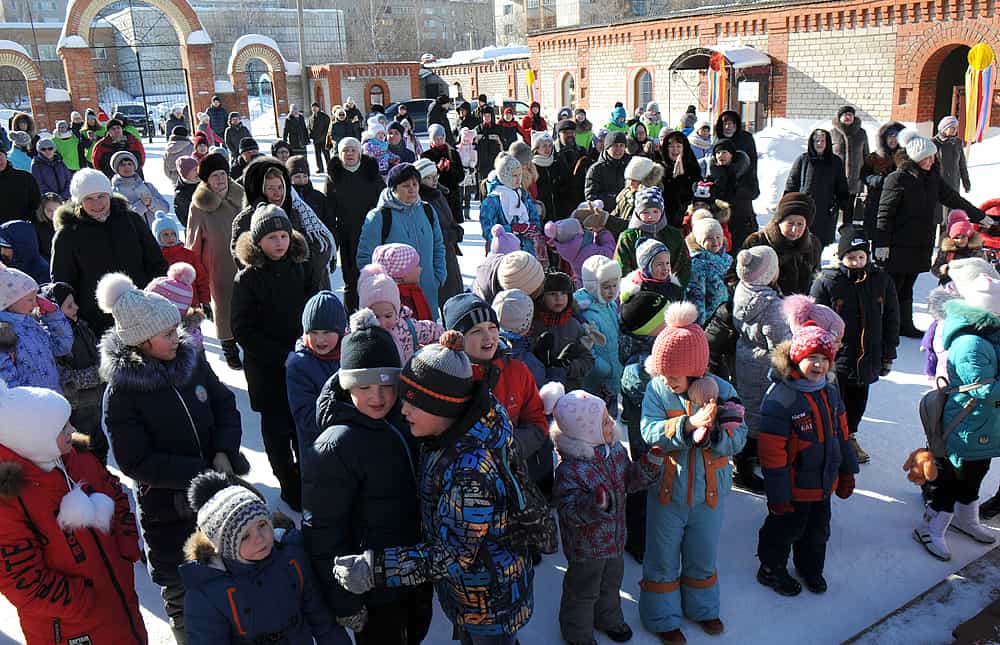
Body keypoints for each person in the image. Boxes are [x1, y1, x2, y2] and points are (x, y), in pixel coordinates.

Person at [331, 331, 535, 645]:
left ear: (442, 407)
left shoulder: (470, 472)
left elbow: (452, 554)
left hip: (489, 600)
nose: (402, 411)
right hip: (473, 591)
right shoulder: (452, 431)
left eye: (413, 404)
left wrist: (377, 569)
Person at [98, 272, 245, 644]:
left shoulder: (190, 360)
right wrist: (202, 472)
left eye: (176, 330)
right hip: (170, 512)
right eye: (166, 334)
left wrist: (224, 451)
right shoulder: (122, 394)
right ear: (141, 342)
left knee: (232, 578)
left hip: (219, 491)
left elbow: (225, 404)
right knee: (185, 596)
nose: (176, 339)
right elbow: (135, 461)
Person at [304, 309, 433, 643]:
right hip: (371, 585)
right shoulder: (336, 446)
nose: (377, 397)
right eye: (364, 386)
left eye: (387, 384)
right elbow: (324, 531)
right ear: (348, 386)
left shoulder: (407, 420)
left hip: (414, 570)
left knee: (416, 630)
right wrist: (344, 598)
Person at [0, 379, 147, 643]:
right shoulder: (10, 501)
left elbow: (115, 492)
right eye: (62, 427)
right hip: (72, 625)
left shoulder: (79, 459)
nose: (72, 431)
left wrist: (126, 543)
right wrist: (83, 600)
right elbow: (20, 579)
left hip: (119, 603)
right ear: (34, 437)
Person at [639, 302, 748, 643]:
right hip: (668, 491)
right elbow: (648, 430)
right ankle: (661, 616)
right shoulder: (657, 390)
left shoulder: (723, 391)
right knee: (662, 556)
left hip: (709, 493)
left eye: (673, 374)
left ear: (694, 369)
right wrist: (687, 426)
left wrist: (715, 434)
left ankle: (702, 608)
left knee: (703, 553)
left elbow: (740, 438)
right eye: (662, 373)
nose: (666, 379)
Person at [544, 382, 659, 645]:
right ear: (585, 432)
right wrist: (594, 504)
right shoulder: (570, 470)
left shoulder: (615, 451)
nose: (611, 425)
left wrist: (650, 466)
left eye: (608, 418)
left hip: (615, 540)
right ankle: (577, 632)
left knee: (610, 584)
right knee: (582, 591)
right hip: (586, 548)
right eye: (604, 423)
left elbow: (630, 480)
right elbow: (570, 511)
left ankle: (607, 618)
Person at [181, 472, 350, 644]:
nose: (260, 538)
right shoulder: (207, 592)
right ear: (225, 547)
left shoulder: (291, 557)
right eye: (245, 536)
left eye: (262, 525)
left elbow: (320, 616)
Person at [757, 322, 859, 596]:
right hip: (793, 488)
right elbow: (771, 453)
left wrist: (847, 471)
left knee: (817, 532)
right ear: (797, 358)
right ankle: (770, 568)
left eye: (825, 359)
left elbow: (841, 434)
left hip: (823, 483)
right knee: (784, 530)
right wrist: (778, 495)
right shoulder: (781, 399)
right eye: (812, 358)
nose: (819, 365)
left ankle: (810, 567)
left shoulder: (830, 392)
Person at [232, 204, 320, 511]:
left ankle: (310, 480)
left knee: (305, 428)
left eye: (283, 235)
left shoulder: (303, 267)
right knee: (277, 433)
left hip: (306, 363)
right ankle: (288, 484)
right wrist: (281, 356)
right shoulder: (248, 280)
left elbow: (316, 309)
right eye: (271, 238)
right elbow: (243, 329)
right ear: (257, 242)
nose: (279, 243)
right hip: (268, 372)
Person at [912, 272, 1000, 559]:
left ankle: (966, 518)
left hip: (984, 423)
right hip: (965, 422)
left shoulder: (991, 335)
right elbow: (982, 387)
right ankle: (931, 526)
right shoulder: (971, 342)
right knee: (951, 477)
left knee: (975, 471)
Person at [875, 129, 987, 338]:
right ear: (916, 158)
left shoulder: (932, 178)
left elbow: (954, 199)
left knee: (908, 285)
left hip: (920, 243)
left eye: (933, 157)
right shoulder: (897, 179)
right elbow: (884, 213)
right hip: (898, 243)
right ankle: (885, 328)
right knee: (892, 287)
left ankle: (904, 325)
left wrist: (980, 216)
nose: (931, 160)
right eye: (926, 157)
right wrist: (882, 244)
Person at [810, 227, 899, 464]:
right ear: (840, 257)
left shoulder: (881, 280)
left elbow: (892, 317)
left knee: (858, 401)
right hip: (836, 357)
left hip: (868, 354)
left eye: (861, 257)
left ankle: (849, 435)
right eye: (851, 257)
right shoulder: (828, 282)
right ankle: (829, 438)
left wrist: (888, 353)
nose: (857, 262)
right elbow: (813, 321)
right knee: (831, 400)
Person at [52, 169, 167, 335]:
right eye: (89, 199)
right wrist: (67, 303)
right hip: (97, 319)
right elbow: (62, 278)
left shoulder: (131, 220)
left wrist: (161, 291)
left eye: (101, 196)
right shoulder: (68, 234)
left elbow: (155, 260)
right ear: (79, 202)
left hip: (142, 308)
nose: (97, 204)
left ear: (109, 195)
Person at [230, 155, 336, 292]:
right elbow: (242, 259)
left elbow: (313, 252)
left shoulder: (296, 212)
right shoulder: (244, 220)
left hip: (299, 288)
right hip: (264, 291)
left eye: (280, 187)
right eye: (271, 189)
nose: (277, 193)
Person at [731, 246, 786, 493]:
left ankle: (746, 459)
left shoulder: (742, 290)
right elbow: (780, 344)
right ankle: (743, 468)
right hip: (765, 366)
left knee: (748, 411)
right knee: (758, 417)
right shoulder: (772, 306)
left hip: (744, 358)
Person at [356, 163, 446, 314]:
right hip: (395, 299)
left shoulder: (427, 210)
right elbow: (365, 258)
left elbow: (438, 246)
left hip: (427, 291)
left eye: (415, 184)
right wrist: (383, 288)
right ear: (394, 188)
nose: (412, 189)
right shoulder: (379, 217)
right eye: (405, 185)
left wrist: (438, 276)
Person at [187, 152, 245, 370]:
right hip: (217, 264)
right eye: (214, 176)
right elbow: (193, 242)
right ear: (206, 180)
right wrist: (196, 273)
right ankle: (229, 347)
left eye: (223, 174)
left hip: (244, 259)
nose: (220, 180)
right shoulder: (199, 205)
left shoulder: (241, 195)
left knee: (248, 302)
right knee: (223, 307)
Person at [38, 281, 107, 461]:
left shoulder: (81, 327)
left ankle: (104, 477)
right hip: (76, 406)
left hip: (94, 401)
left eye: (74, 302)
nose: (76, 307)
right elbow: (64, 377)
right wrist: (98, 374)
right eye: (69, 305)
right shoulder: (52, 340)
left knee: (100, 443)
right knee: (84, 449)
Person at [324, 137, 384, 312]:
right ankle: (350, 316)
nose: (349, 154)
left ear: (359, 152)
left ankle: (376, 312)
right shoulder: (334, 177)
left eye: (352, 150)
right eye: (345, 150)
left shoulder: (370, 172)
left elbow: (382, 201)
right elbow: (329, 211)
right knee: (351, 279)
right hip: (347, 233)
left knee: (373, 275)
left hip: (371, 232)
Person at [286, 290, 347, 449]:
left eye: (327, 332)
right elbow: (305, 416)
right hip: (318, 449)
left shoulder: (349, 354)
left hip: (349, 445)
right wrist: (347, 415)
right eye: (313, 332)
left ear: (340, 331)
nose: (320, 339)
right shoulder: (299, 365)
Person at [0, 262, 71, 392]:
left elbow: (61, 346)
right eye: (30, 299)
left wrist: (53, 314)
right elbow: (5, 379)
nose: (36, 303)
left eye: (36, 298)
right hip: (29, 407)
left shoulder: (31, 323)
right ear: (9, 300)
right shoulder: (4, 331)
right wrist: (25, 404)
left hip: (52, 400)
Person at [733, 192, 821, 297]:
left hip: (800, 308)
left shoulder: (812, 244)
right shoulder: (757, 241)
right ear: (779, 221)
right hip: (763, 306)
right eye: (790, 223)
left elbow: (816, 277)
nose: (795, 229)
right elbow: (736, 276)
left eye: (800, 224)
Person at [356, 265, 442, 365]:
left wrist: (430, 355)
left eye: (388, 316)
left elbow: (437, 331)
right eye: (375, 316)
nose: (382, 322)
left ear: (396, 311)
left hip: (404, 377)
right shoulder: (357, 333)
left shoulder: (408, 328)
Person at [530, 271, 596, 391]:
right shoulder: (534, 325)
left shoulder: (575, 325)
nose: (558, 298)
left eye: (563, 293)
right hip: (540, 389)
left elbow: (588, 360)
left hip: (570, 390)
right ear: (542, 296)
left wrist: (567, 368)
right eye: (552, 293)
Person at [614, 186, 691, 287]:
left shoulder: (674, 235)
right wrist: (631, 286)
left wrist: (677, 285)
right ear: (637, 213)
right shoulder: (628, 237)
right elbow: (621, 266)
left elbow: (684, 263)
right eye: (646, 212)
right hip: (638, 289)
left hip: (669, 288)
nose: (651, 216)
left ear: (662, 211)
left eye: (655, 211)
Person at [412, 159, 464, 308]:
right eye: (429, 177)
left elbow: (449, 219)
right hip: (435, 256)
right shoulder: (421, 201)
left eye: (435, 175)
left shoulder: (438, 194)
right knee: (443, 296)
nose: (434, 180)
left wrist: (456, 229)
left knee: (454, 293)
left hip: (449, 251)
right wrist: (452, 235)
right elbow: (430, 231)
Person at [784, 129, 850, 246]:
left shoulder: (835, 161)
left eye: (822, 141)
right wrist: (788, 204)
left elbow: (841, 185)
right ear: (811, 143)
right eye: (816, 141)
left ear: (827, 143)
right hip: (805, 210)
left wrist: (842, 202)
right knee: (802, 243)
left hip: (826, 211)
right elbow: (792, 183)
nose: (819, 144)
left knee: (821, 243)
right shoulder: (803, 160)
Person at [574, 255, 623, 405]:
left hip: (615, 370)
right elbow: (587, 349)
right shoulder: (588, 314)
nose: (612, 291)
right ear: (593, 286)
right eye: (606, 287)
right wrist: (603, 368)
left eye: (615, 286)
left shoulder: (611, 306)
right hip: (599, 382)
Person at [479, 153, 543, 256]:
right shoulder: (492, 201)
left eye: (519, 175)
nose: (518, 179)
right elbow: (488, 231)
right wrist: (512, 228)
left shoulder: (523, 195)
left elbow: (534, 218)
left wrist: (533, 229)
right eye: (514, 175)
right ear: (504, 175)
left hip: (526, 253)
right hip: (503, 255)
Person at [706, 139, 758, 253]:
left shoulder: (744, 171)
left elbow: (754, 192)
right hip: (721, 223)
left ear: (732, 155)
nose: (721, 156)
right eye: (718, 153)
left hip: (743, 221)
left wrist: (735, 188)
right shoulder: (713, 173)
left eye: (724, 152)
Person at [152, 211, 211, 309]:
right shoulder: (157, 257)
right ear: (157, 237)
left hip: (191, 303)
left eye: (173, 234)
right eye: (165, 235)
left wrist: (205, 300)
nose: (170, 237)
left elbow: (201, 278)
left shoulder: (189, 255)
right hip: (166, 306)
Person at [545, 206, 615, 287]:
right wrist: (602, 232)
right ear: (578, 236)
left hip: (584, 286)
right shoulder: (588, 251)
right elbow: (610, 252)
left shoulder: (570, 250)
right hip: (599, 288)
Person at [859, 121, 904, 241]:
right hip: (876, 200)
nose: (893, 140)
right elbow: (864, 175)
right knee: (875, 234)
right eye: (890, 137)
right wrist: (877, 180)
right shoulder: (875, 157)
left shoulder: (906, 157)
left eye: (896, 137)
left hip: (898, 202)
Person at [685, 216, 732, 326]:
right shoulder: (697, 264)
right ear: (699, 240)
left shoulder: (728, 259)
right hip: (711, 319)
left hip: (729, 314)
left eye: (718, 237)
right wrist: (700, 324)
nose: (715, 241)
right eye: (709, 238)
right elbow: (696, 297)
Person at [829, 105, 869, 227]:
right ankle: (831, 232)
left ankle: (847, 231)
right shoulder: (832, 133)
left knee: (850, 207)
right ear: (840, 117)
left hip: (854, 178)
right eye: (845, 115)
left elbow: (866, 154)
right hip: (836, 178)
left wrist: (866, 175)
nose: (848, 117)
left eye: (850, 115)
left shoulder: (861, 133)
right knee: (833, 206)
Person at [111, 150, 170, 227]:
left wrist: (151, 202)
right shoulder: (115, 191)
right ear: (117, 169)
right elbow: (121, 218)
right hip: (133, 234)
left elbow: (165, 208)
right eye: (122, 165)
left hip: (154, 233)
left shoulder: (147, 186)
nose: (127, 167)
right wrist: (142, 205)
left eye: (130, 164)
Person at [609, 156, 665, 237]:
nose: (630, 183)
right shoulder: (626, 193)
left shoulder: (649, 200)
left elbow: (632, 225)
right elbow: (616, 212)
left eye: (634, 180)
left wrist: (607, 219)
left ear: (645, 180)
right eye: (629, 179)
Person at [421, 124, 465, 225]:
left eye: (442, 138)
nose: (439, 141)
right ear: (431, 139)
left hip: (453, 198)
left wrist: (451, 168)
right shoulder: (426, 156)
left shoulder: (453, 153)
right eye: (436, 138)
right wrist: (437, 169)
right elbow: (424, 179)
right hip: (435, 197)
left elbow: (461, 176)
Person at [661, 131, 702, 227]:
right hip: (664, 218)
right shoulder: (659, 167)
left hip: (686, 218)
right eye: (671, 146)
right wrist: (672, 178)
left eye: (678, 146)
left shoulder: (693, 167)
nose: (675, 150)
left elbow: (694, 192)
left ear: (684, 148)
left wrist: (682, 177)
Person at [931, 210, 985, 284]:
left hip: (969, 285)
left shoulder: (975, 251)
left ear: (969, 237)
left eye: (963, 237)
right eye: (956, 237)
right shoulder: (946, 251)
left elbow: (983, 268)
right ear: (951, 239)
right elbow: (935, 268)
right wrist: (941, 270)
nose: (960, 240)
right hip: (948, 284)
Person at [586, 131, 631, 208]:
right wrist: (616, 198)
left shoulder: (630, 165)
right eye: (615, 146)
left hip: (626, 211)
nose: (619, 149)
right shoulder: (596, 169)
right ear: (607, 147)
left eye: (621, 145)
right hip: (605, 213)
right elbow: (591, 197)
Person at [0, 218, 49, 285]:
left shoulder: (42, 271)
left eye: (6, 247)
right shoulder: (4, 264)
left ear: (21, 248)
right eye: (1, 247)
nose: (2, 252)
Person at [0, 146, 40, 225]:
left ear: (5, 155)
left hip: (23, 228)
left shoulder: (25, 177)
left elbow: (36, 204)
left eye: (0, 155)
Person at [287, 155, 328, 225]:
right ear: (290, 178)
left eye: (305, 176)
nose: (302, 180)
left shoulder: (319, 197)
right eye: (297, 177)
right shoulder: (286, 198)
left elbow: (328, 220)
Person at [33, 192, 60, 264]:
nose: (54, 214)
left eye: (57, 210)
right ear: (42, 210)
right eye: (49, 210)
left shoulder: (68, 224)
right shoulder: (37, 227)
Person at [173, 155, 199, 226]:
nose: (197, 171)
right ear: (186, 174)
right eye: (194, 170)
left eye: (197, 168)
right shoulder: (181, 193)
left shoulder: (203, 183)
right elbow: (184, 219)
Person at [309, 102, 332, 173]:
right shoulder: (311, 118)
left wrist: (325, 136)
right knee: (317, 155)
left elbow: (328, 127)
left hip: (324, 139)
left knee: (326, 154)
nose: (314, 108)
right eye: (313, 107)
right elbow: (310, 128)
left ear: (319, 108)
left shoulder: (324, 116)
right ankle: (320, 168)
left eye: (315, 107)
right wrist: (310, 135)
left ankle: (329, 168)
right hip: (316, 140)